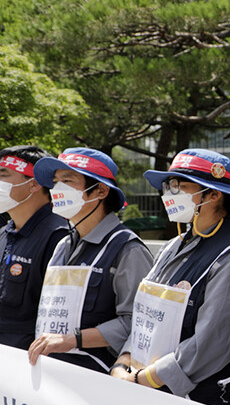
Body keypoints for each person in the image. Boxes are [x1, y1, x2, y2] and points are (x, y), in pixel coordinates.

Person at [111, 149, 230, 405]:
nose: (169, 193)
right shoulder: (172, 246)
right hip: (145, 390)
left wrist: (141, 378)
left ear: (213, 194)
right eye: (168, 186)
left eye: (179, 186)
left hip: (196, 403)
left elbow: (211, 343)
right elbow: (144, 316)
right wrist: (123, 361)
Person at [27, 148, 153, 372]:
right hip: (53, 372)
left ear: (100, 191)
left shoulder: (127, 249)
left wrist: (73, 339)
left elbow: (138, 324)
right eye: (55, 182)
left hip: (97, 380)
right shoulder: (62, 246)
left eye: (68, 180)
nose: (57, 189)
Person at [0, 145, 70, 349]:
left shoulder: (59, 237)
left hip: (30, 363)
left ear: (34, 184)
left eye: (3, 176)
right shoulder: (4, 233)